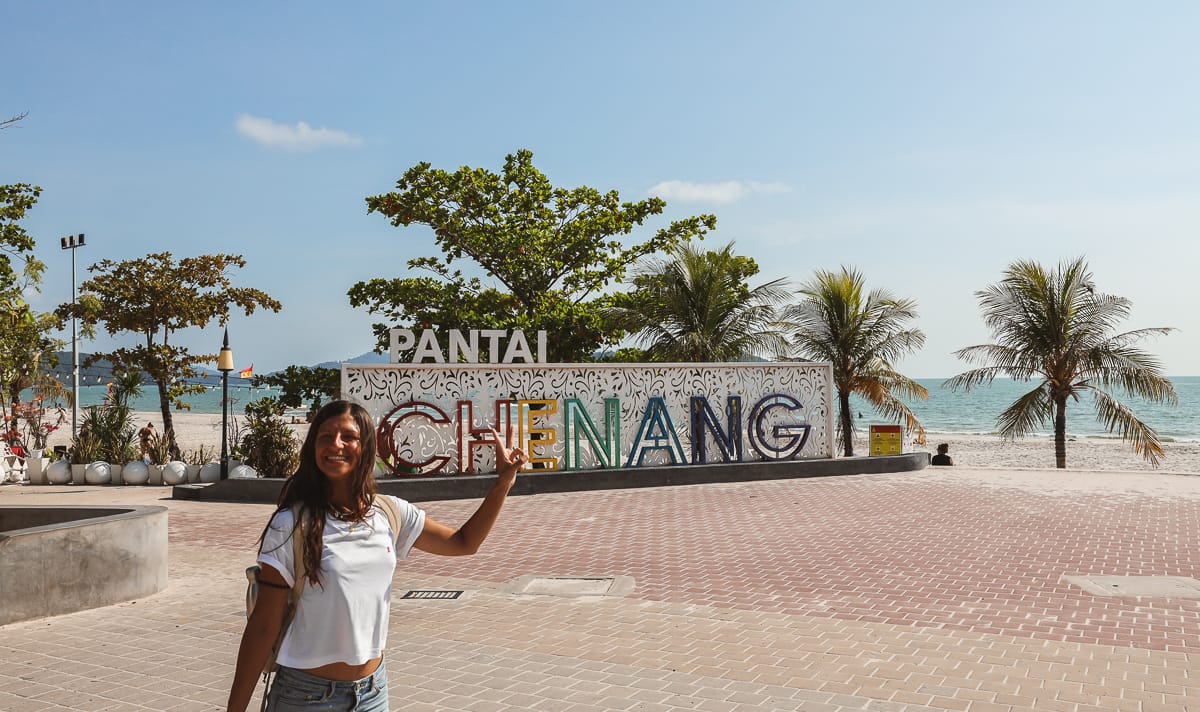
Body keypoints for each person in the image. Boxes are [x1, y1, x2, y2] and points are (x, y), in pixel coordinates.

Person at [226, 400, 526, 712]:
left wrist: (503, 483)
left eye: (348, 437)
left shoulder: (389, 512)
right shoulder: (290, 524)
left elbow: (464, 543)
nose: (336, 445)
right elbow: (263, 625)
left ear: (366, 445)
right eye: (325, 437)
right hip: (306, 696)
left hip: (372, 693)